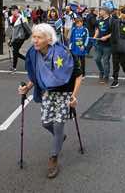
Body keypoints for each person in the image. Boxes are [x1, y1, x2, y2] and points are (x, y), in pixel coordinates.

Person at [19, 23, 82, 179]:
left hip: (64, 93)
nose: (35, 40)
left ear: (48, 39)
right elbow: (36, 74)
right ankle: (59, 137)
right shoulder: (34, 53)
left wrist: (74, 96)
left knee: (59, 124)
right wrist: (27, 87)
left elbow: (79, 76)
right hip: (47, 92)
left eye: (38, 37)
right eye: (33, 37)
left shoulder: (64, 53)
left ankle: (53, 158)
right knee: (46, 123)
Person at [110, 7, 125, 88]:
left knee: (124, 65)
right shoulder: (115, 22)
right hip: (115, 46)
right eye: (123, 13)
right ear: (121, 13)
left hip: (124, 47)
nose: (124, 15)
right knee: (115, 64)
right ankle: (115, 80)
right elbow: (111, 33)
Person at [93, 6, 112, 84]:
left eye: (100, 10)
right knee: (97, 59)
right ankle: (102, 71)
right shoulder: (99, 20)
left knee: (105, 61)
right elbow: (98, 30)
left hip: (108, 45)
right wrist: (95, 37)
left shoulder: (111, 21)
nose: (99, 11)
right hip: (99, 43)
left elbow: (114, 32)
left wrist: (106, 37)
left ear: (105, 11)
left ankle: (106, 76)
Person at [9, 5, 27, 71]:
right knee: (15, 52)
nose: (12, 11)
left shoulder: (22, 18)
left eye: (14, 10)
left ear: (17, 10)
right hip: (14, 38)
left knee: (15, 52)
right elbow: (11, 30)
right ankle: (27, 59)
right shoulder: (10, 18)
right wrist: (10, 39)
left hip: (20, 38)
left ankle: (14, 67)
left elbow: (27, 28)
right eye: (11, 10)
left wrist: (25, 36)